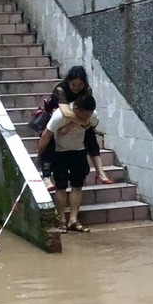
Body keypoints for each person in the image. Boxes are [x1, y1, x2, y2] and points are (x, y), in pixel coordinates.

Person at [38, 65, 109, 191]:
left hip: (78, 118)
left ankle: (100, 172)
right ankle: (47, 178)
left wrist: (79, 123)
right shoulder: (61, 89)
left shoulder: (87, 89)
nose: (76, 88)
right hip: (57, 118)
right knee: (49, 143)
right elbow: (66, 113)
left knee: (91, 138)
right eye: (73, 84)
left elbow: (89, 108)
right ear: (68, 82)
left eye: (80, 84)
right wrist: (81, 122)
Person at [38, 95, 98, 233]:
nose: (87, 117)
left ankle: (73, 220)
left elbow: (92, 126)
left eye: (89, 114)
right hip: (60, 153)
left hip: (79, 151)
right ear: (76, 109)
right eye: (84, 115)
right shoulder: (59, 116)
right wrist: (40, 156)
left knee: (77, 186)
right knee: (61, 186)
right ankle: (61, 220)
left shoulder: (92, 115)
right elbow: (47, 135)